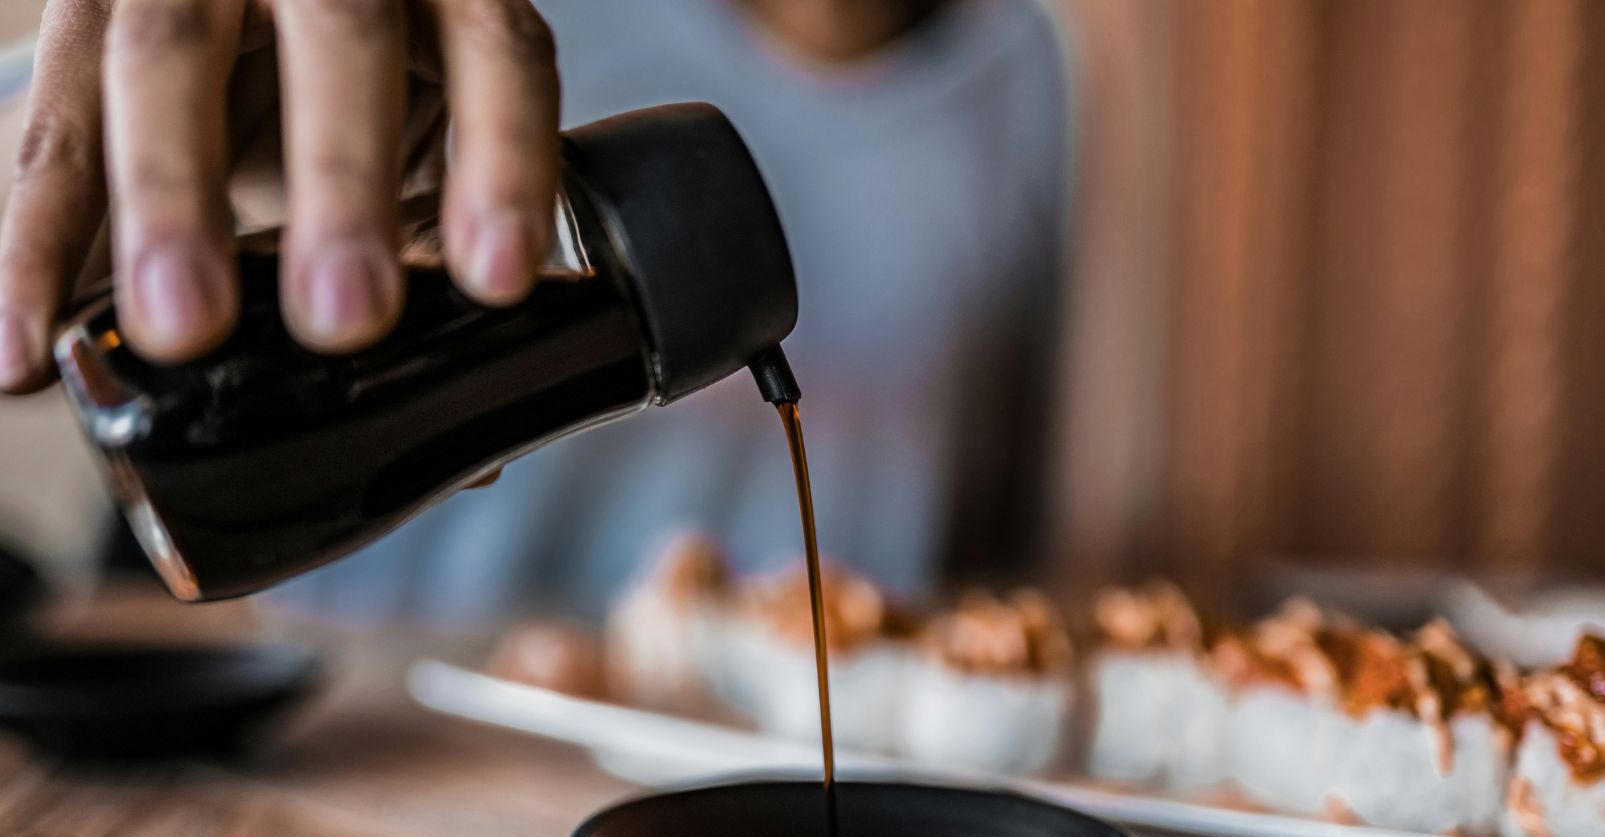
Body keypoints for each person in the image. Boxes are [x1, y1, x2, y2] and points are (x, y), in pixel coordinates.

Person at [0, 0, 1068, 621]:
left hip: (778, 775)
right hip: (356, 739)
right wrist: (141, 181)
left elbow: (1011, 510)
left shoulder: (1037, 75)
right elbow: (38, 177)